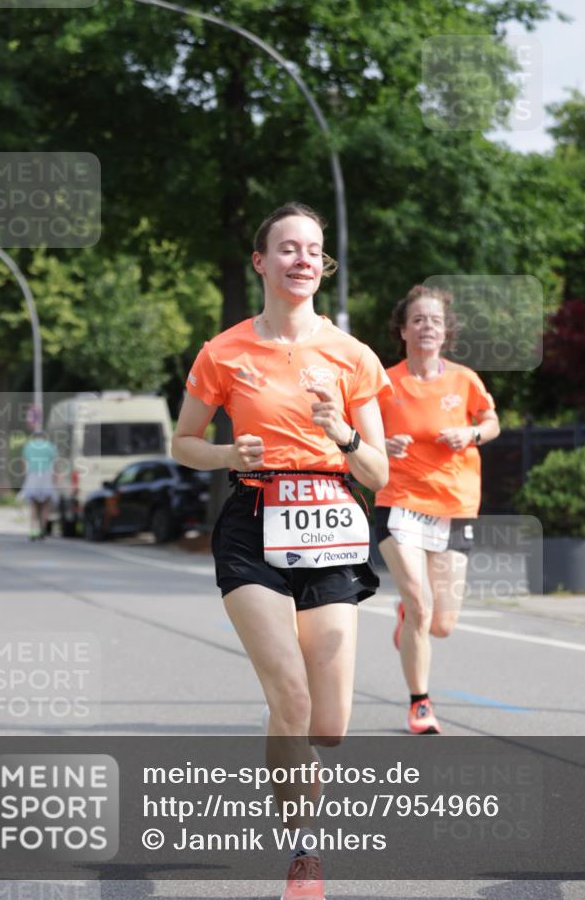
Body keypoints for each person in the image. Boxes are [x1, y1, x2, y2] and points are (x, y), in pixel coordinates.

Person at [172, 203, 389, 900]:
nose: (302, 260)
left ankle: (285, 726)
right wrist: (225, 454)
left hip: (332, 524)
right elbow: (183, 443)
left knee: (327, 725)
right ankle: (303, 851)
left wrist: (342, 434)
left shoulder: (353, 356)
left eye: (313, 250)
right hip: (252, 523)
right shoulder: (223, 351)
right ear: (261, 262)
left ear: (323, 266)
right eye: (288, 248)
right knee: (290, 694)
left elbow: (379, 473)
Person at [375, 285, 500, 735]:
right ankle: (420, 704)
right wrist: (381, 443)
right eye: (419, 320)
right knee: (420, 605)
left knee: (442, 624)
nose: (427, 327)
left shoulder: (465, 380)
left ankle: (408, 618)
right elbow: (358, 435)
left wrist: (471, 435)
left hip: (453, 505)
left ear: (446, 332)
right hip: (399, 502)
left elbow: (491, 422)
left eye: (435, 321)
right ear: (403, 330)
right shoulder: (384, 382)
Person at [19, 429, 58, 540]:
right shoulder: (50, 446)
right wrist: (55, 480)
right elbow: (54, 464)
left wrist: (24, 477)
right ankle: (42, 531)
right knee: (45, 506)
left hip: (32, 477)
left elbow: (24, 463)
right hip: (46, 477)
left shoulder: (28, 447)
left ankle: (32, 531)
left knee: (33, 506)